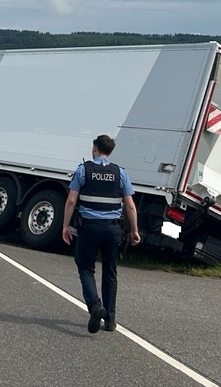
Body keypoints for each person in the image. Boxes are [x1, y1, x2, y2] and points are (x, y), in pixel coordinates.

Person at [61, 134, 141, 333]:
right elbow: (130, 206)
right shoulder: (120, 173)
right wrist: (134, 231)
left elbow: (71, 201)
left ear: (95, 148)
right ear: (110, 151)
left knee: (85, 267)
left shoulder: (83, 170)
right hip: (113, 229)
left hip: (89, 227)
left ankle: (96, 306)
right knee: (110, 271)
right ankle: (111, 320)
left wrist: (65, 226)